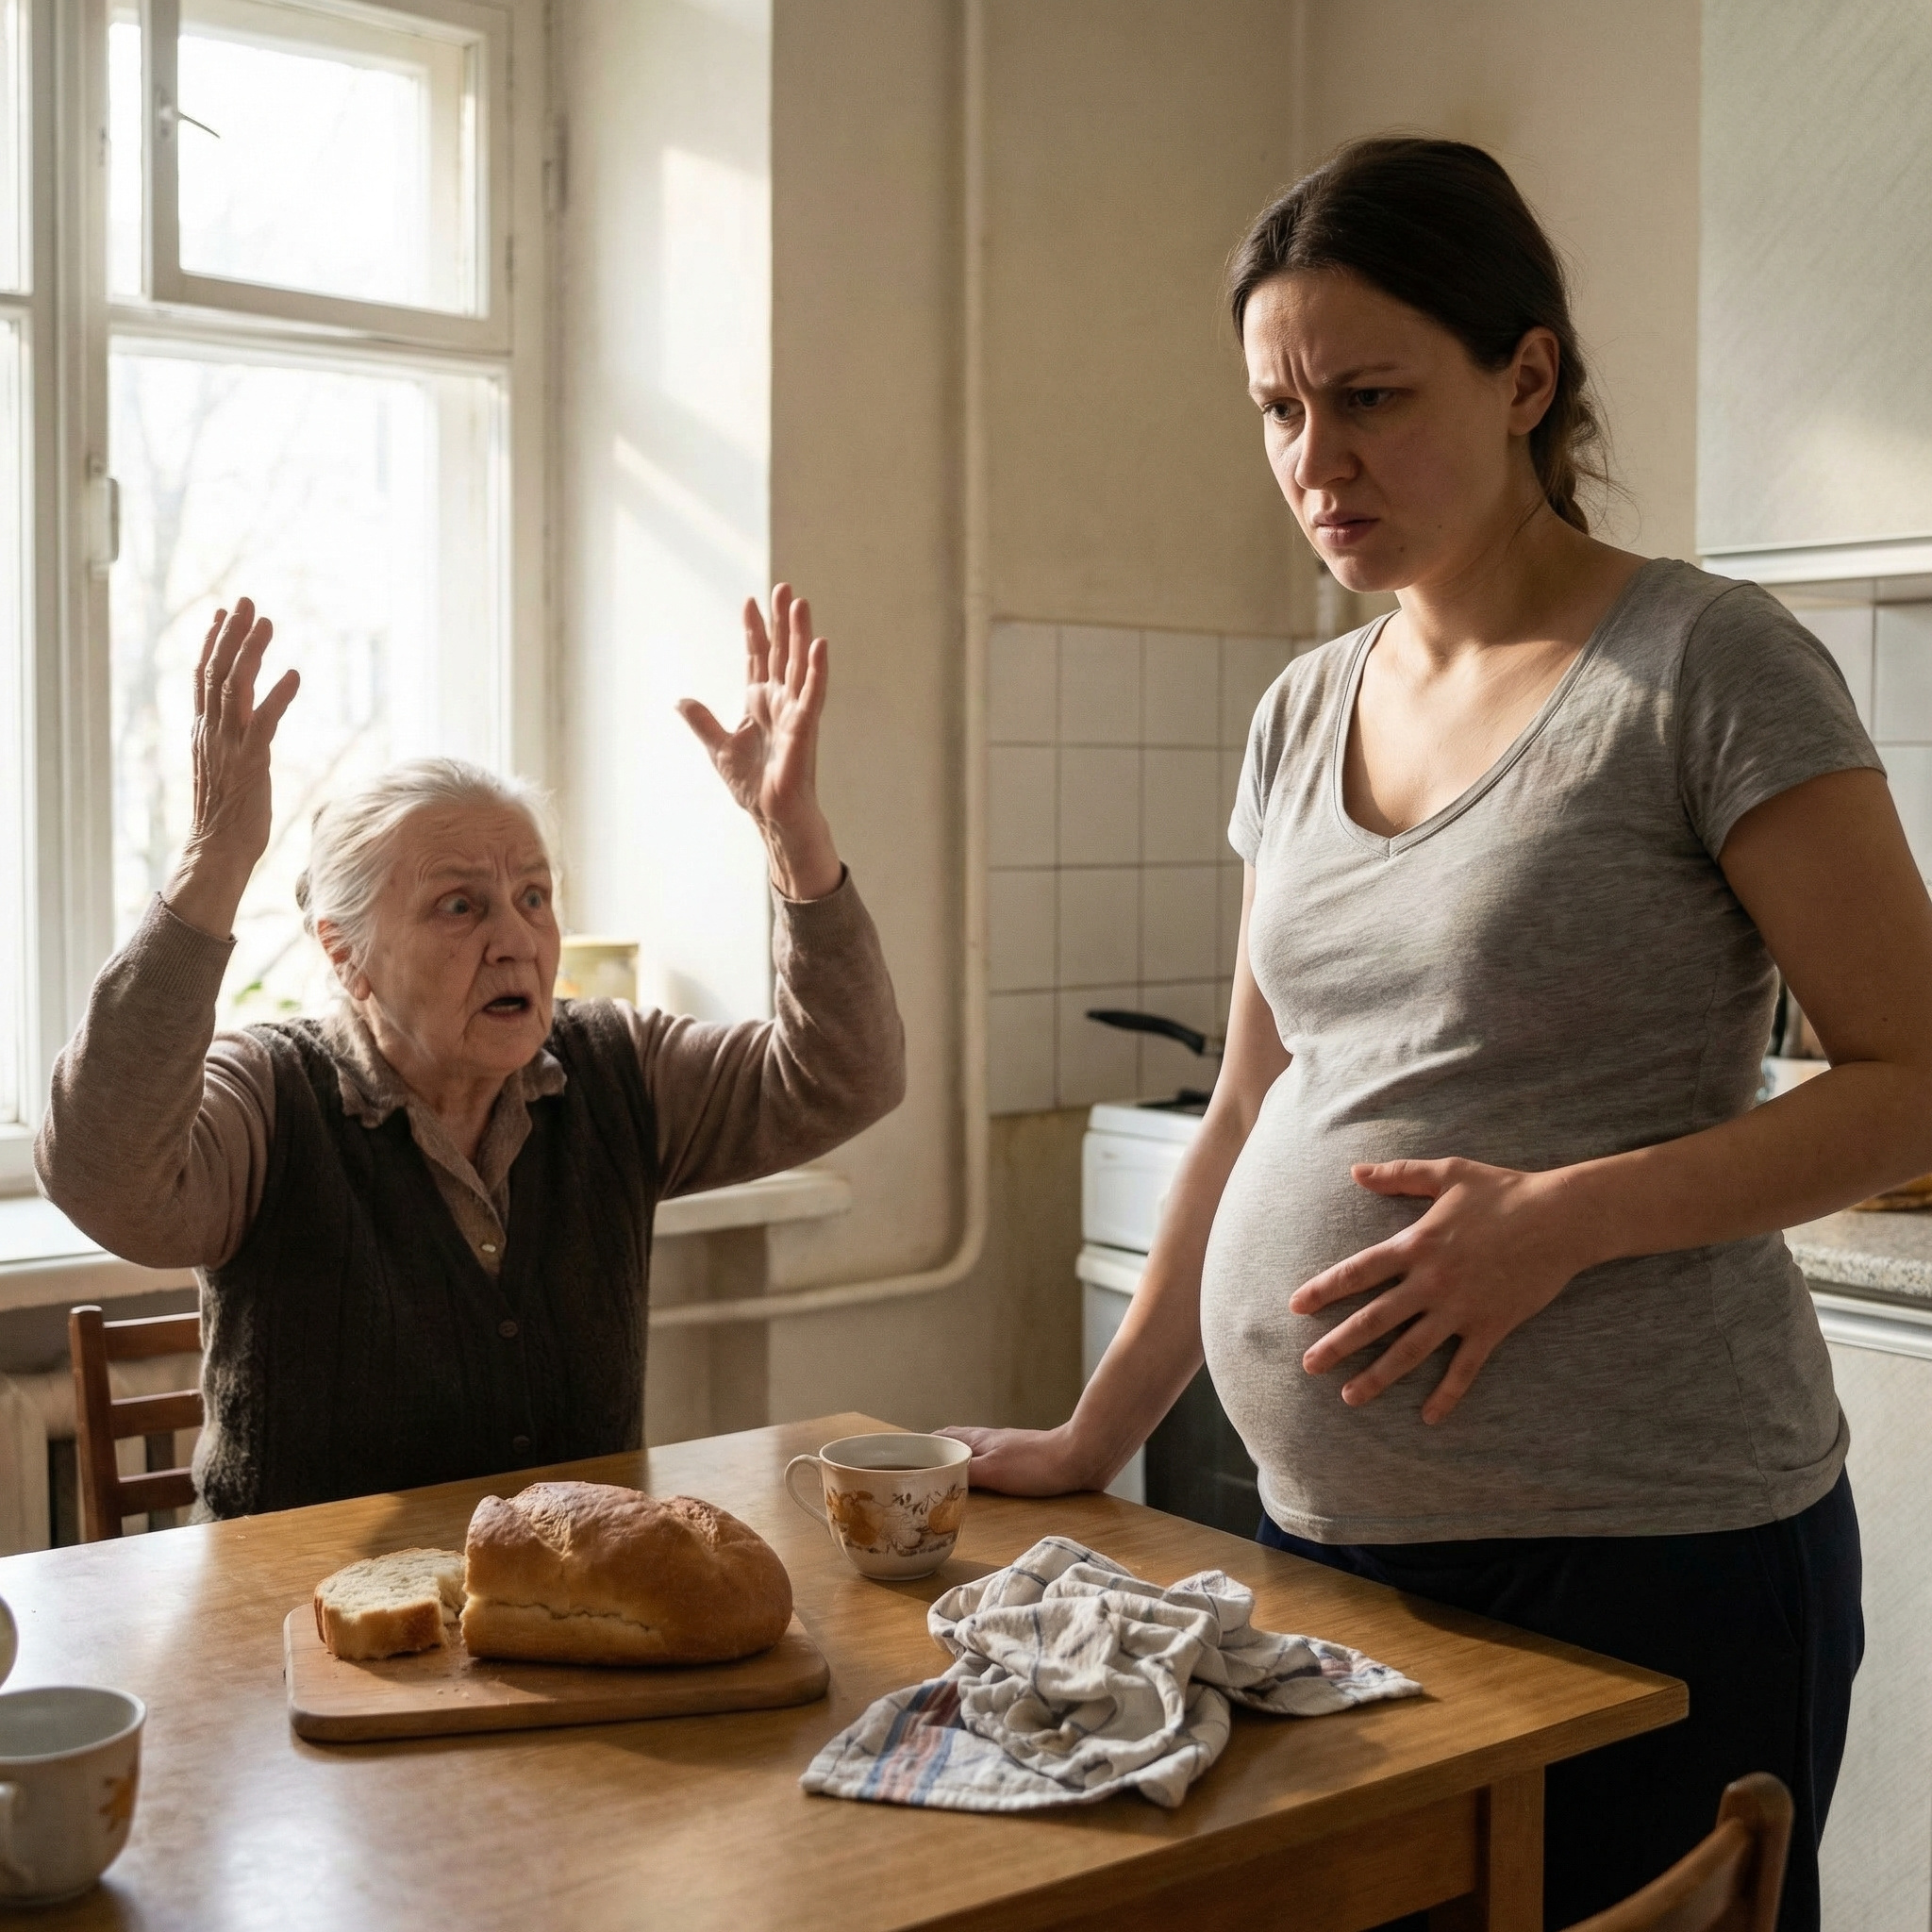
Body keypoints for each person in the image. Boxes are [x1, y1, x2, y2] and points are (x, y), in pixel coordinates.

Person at [945, 138, 1932, 1930]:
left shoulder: (1706, 666)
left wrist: (1559, 1219)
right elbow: (1255, 1093)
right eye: (1275, 409)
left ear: (1524, 376)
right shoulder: (1299, 706)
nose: (1314, 465)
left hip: (1655, 1551)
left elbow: (1911, 1084)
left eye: (1370, 398)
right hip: (1327, 1546)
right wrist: (1099, 1427)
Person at [39, 586, 905, 1519]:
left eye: (533, 895)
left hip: (565, 1607)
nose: (515, 939)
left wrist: (792, 837)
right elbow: (104, 1173)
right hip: (309, 1619)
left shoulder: (613, 1063)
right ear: (344, 952)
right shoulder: (272, 1091)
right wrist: (215, 855)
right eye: (461, 905)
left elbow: (842, 1074)